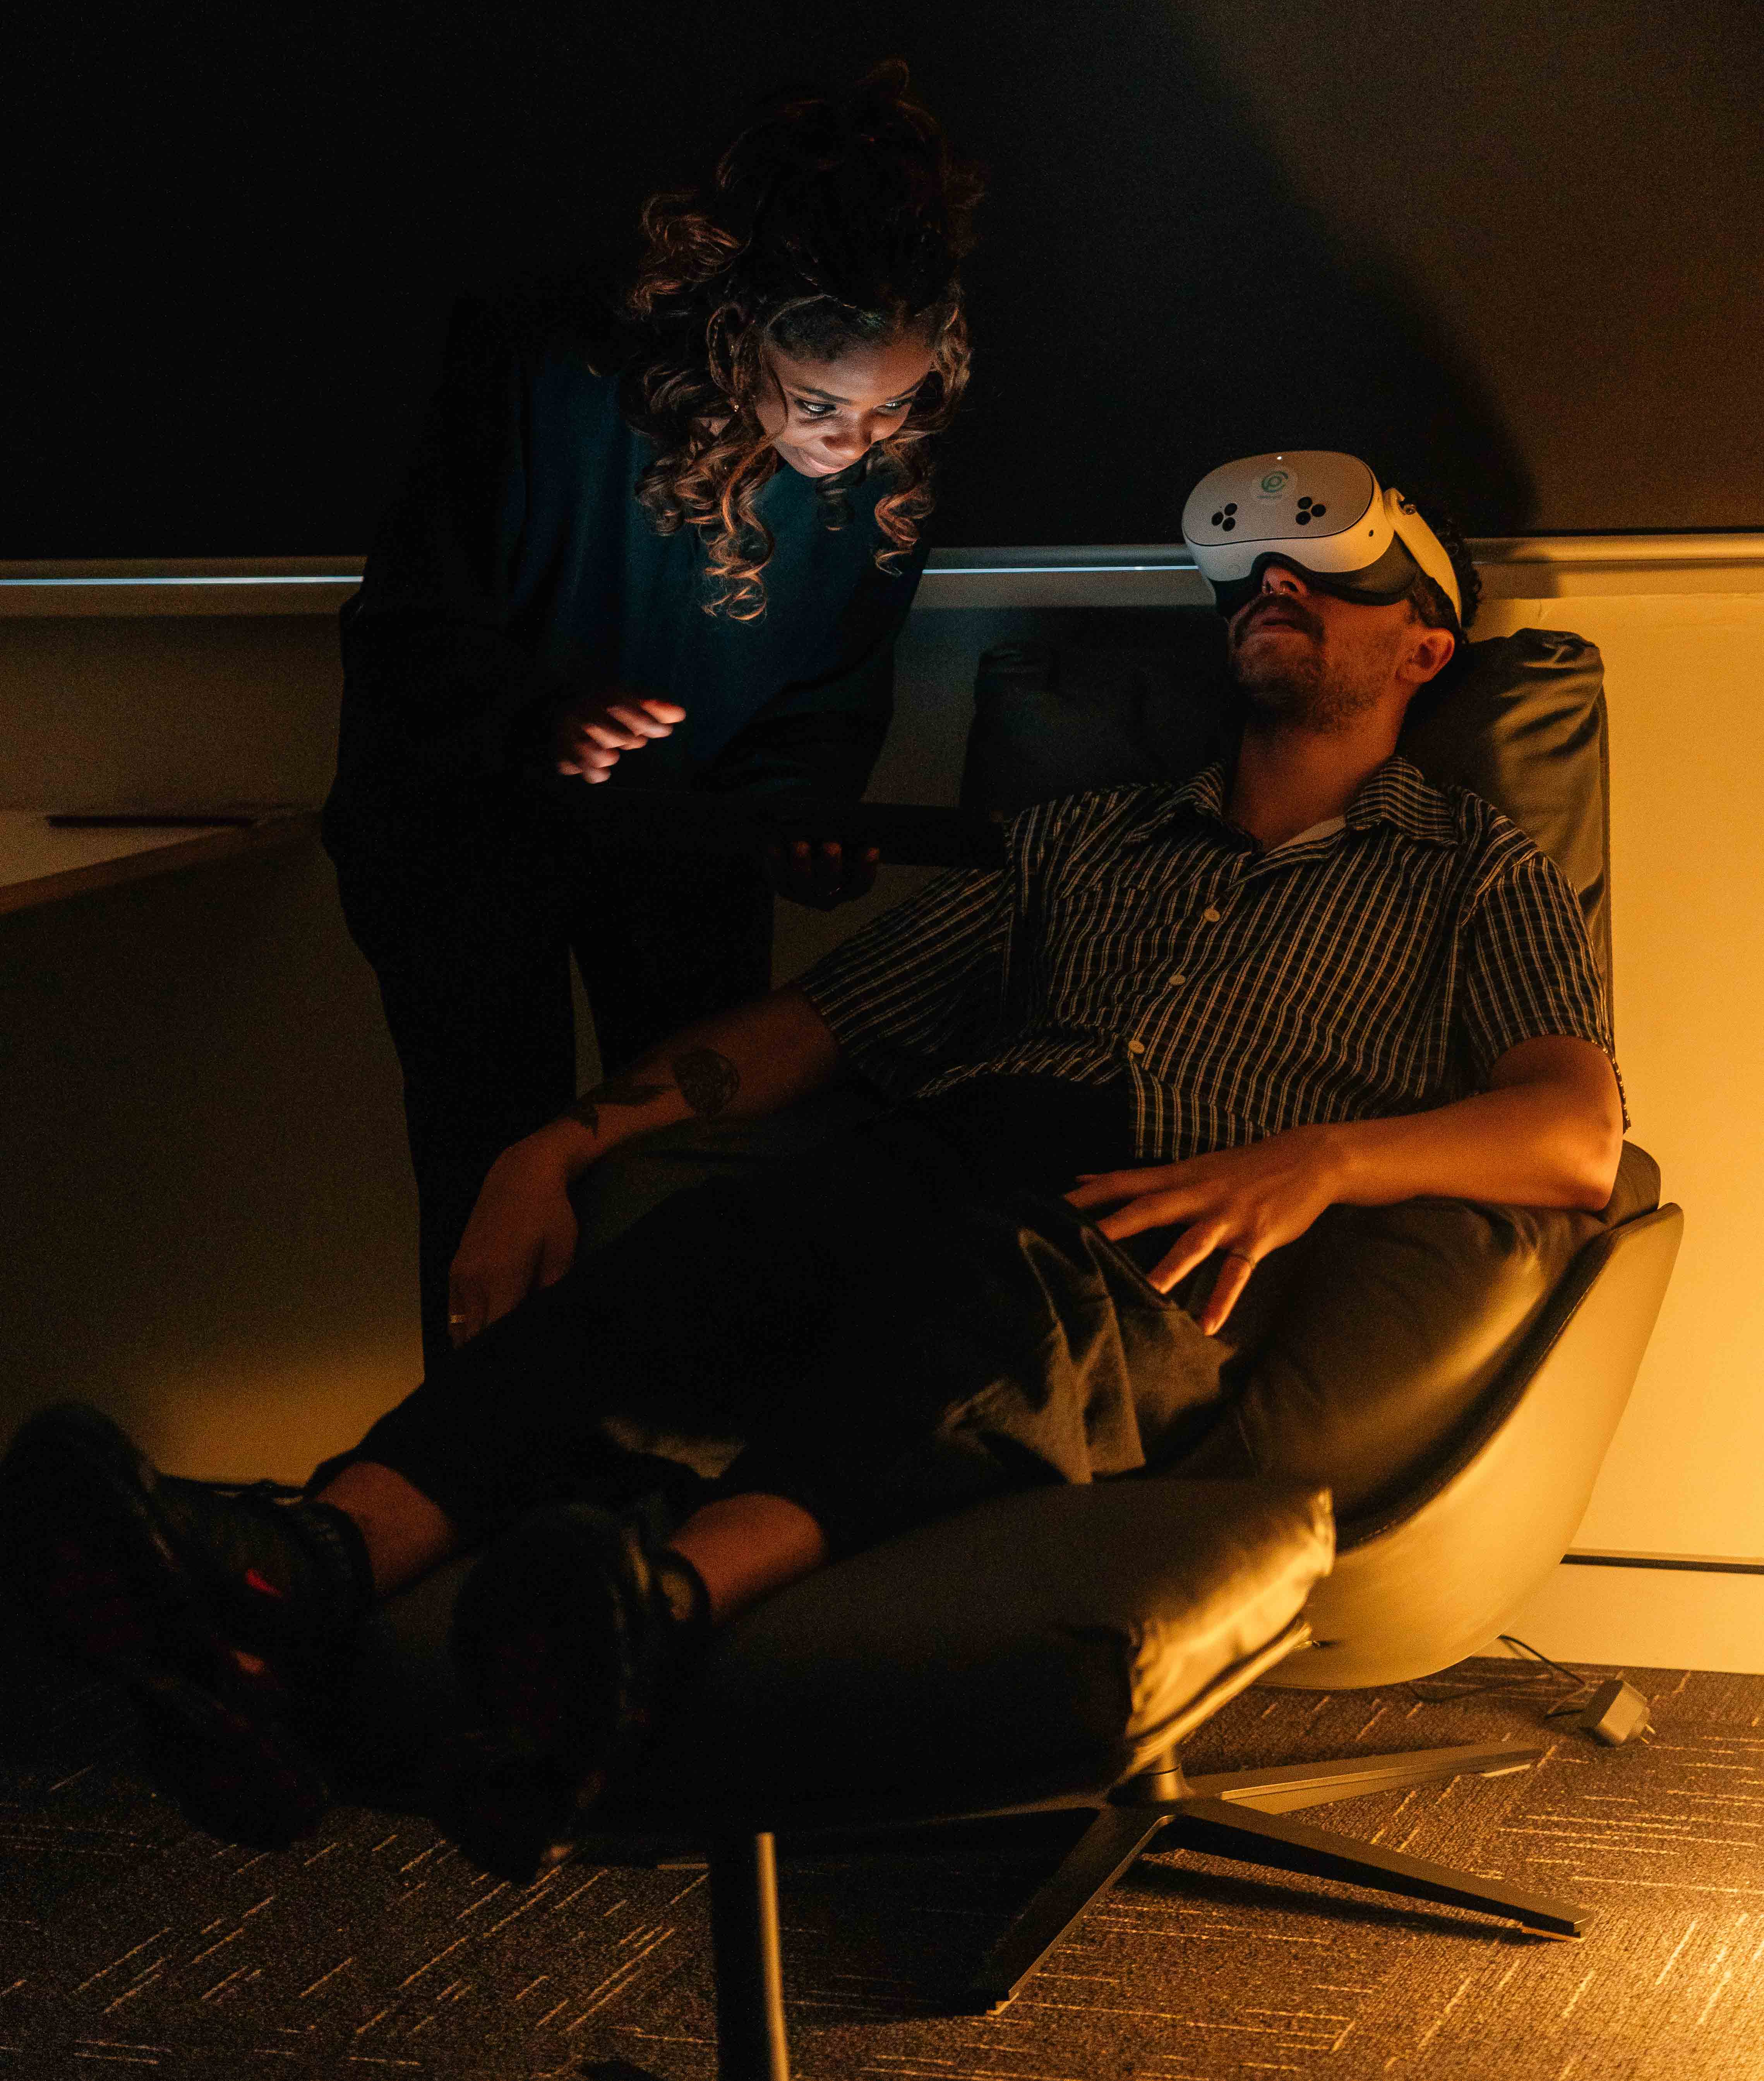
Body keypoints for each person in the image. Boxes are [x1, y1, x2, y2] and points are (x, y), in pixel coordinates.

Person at [0, 459, 1625, 1883]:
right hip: (941, 1147)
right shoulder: (1084, 842)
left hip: (1164, 1221)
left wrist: (1324, 1161)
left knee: (994, 1308)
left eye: (1330, 573)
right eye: (1253, 571)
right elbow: (824, 1018)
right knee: (698, 1256)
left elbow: (1574, 1131)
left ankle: (640, 1622)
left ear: (1426, 642)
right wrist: (557, 1139)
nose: (1276, 585)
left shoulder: (1474, 868)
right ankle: (297, 1575)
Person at [320, 61, 983, 1369]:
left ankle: (643, 1505)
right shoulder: (538, 362)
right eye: (821, 404)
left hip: (684, 848)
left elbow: (834, 687)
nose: (856, 442)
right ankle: (462, 1506)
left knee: (683, 1174)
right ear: (742, 331)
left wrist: (805, 816)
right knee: (490, 1173)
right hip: (463, 833)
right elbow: (410, 621)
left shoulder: (885, 461)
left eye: (891, 406)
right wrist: (542, 715)